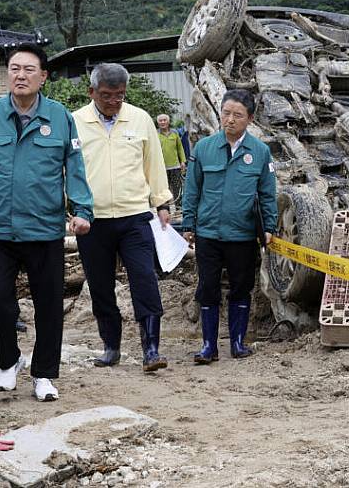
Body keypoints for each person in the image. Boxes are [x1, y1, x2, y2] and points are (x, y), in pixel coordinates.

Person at [0, 43, 93, 401]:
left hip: (44, 227)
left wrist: (82, 210)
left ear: (43, 76)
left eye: (28, 69)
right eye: (14, 68)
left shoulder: (60, 116)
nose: (19, 75)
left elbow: (74, 169)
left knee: (49, 303)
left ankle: (45, 374)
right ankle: (9, 360)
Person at [73, 63, 173, 372]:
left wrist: (162, 203)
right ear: (92, 92)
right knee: (101, 286)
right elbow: (67, 171)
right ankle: (111, 346)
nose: (114, 102)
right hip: (92, 220)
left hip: (134, 216)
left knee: (144, 280)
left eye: (119, 95)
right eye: (106, 95)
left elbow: (153, 164)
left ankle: (151, 349)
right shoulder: (74, 122)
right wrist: (73, 208)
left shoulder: (140, 119)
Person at [182, 89, 277, 363]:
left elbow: (268, 194)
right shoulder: (203, 148)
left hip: (243, 235)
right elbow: (192, 189)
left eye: (238, 115)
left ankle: (237, 343)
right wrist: (189, 221)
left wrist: (268, 227)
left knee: (240, 287)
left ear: (250, 119)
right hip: (209, 234)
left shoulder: (260, 152)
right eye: (226, 113)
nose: (230, 120)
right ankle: (209, 346)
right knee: (208, 288)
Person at [156, 114, 186, 207]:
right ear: (158, 123)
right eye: (160, 121)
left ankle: (179, 208)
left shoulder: (175, 133)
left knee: (177, 188)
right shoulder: (155, 134)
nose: (163, 122)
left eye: (164, 120)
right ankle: (166, 210)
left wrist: (183, 161)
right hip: (162, 168)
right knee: (164, 190)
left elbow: (180, 148)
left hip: (175, 166)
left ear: (168, 122)